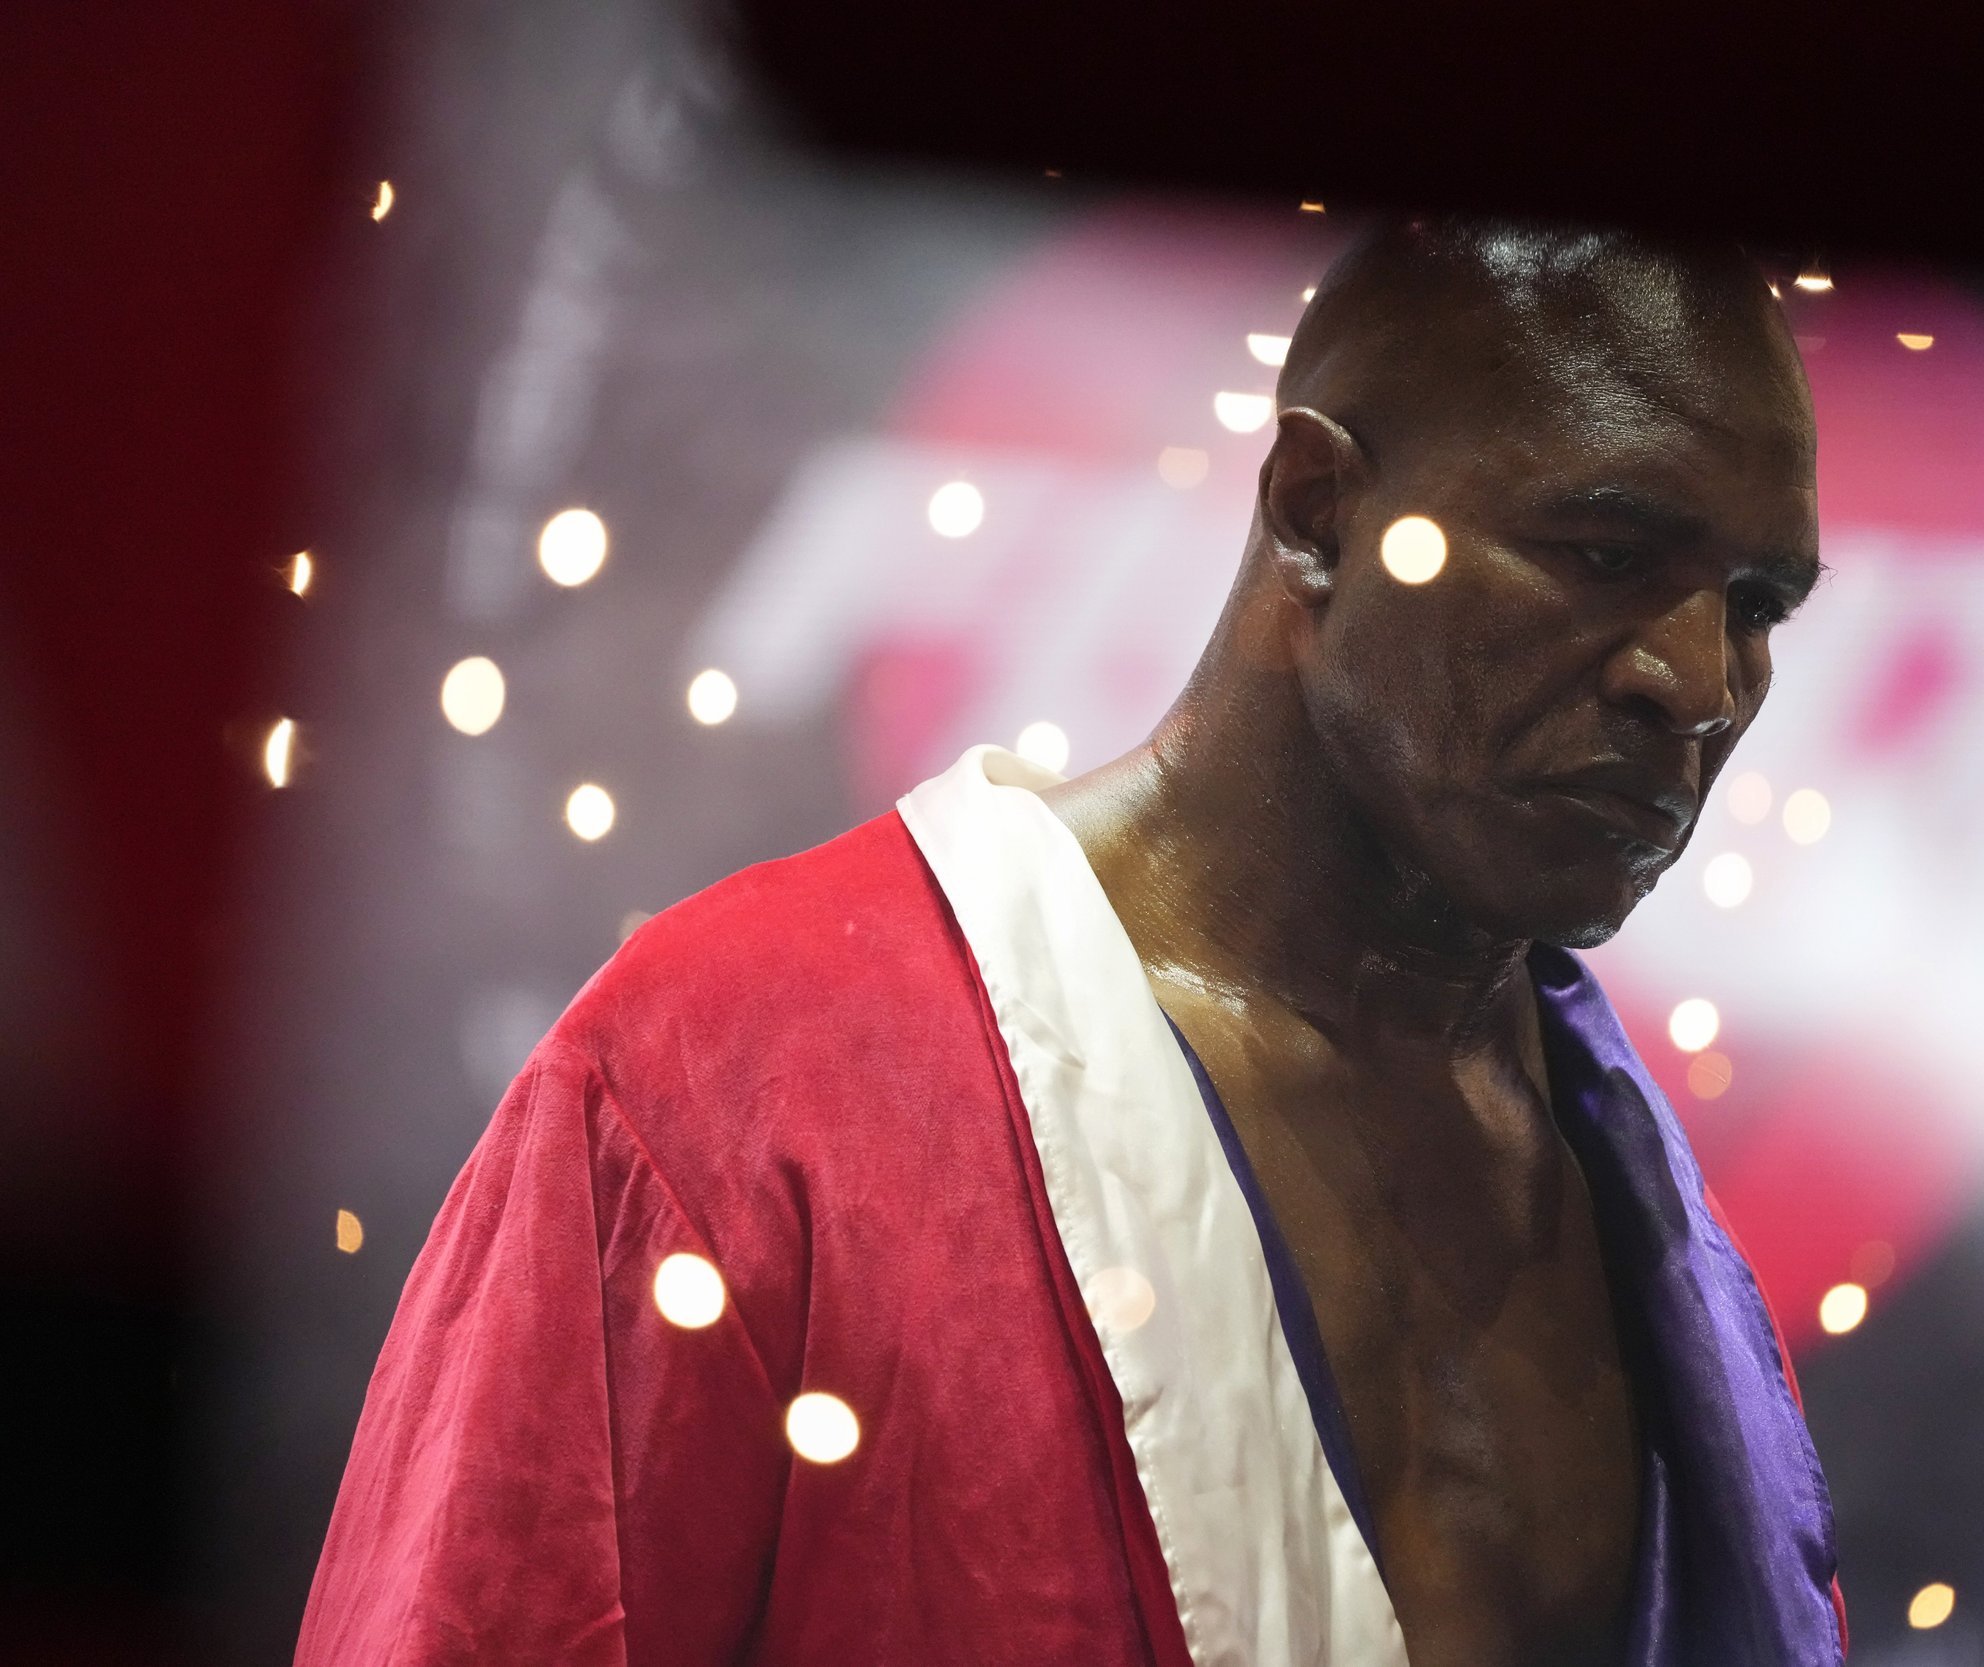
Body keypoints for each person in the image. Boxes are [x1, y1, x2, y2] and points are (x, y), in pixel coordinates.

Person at [296, 214, 1843, 1667]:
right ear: (1318, 509)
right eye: (1602, 552)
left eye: (1759, 603)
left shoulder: (1653, 1233)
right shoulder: (734, 1075)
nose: (1697, 682)